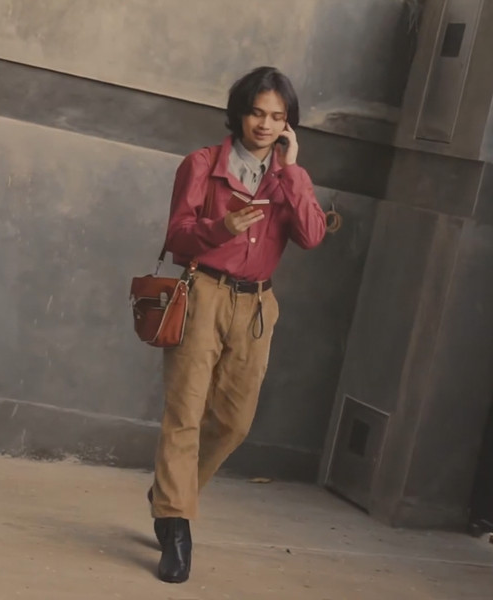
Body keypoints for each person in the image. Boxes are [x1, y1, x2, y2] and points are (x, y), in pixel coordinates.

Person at [149, 66, 326, 583]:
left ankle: (168, 492)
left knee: (233, 422)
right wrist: (220, 227)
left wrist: (293, 172)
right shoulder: (202, 164)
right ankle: (175, 525)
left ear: (288, 123)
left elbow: (312, 236)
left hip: (256, 307)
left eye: (277, 116)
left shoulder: (289, 176)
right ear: (239, 114)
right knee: (184, 413)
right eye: (256, 113)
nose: (265, 125)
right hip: (203, 293)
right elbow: (177, 237)